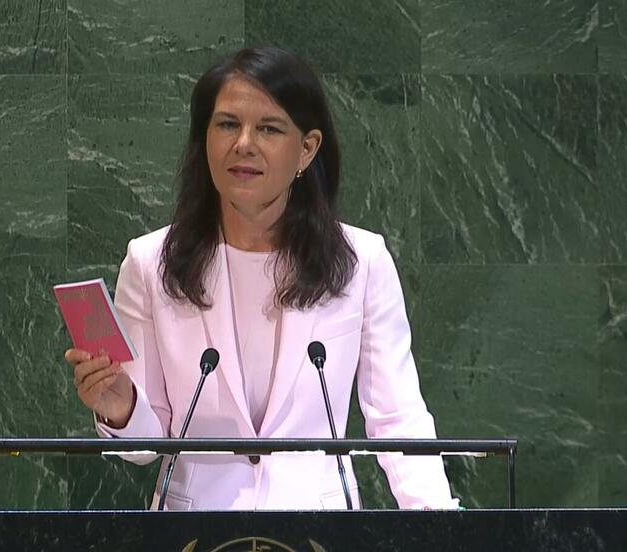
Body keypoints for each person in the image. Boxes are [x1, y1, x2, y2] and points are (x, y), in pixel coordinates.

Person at [65, 46, 458, 510]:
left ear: (306, 149)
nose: (244, 144)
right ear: (204, 139)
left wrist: (438, 521)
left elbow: (397, 418)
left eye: (269, 128)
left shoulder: (361, 261)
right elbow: (145, 446)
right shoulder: (151, 262)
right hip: (196, 529)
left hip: (319, 528)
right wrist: (120, 405)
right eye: (227, 125)